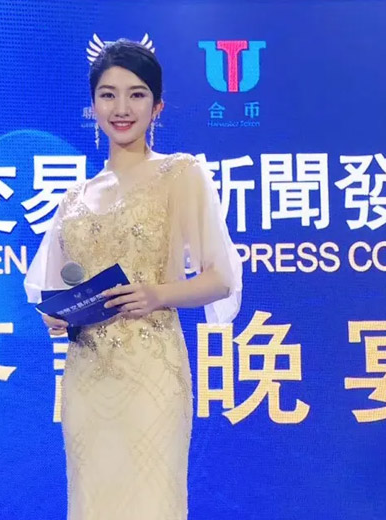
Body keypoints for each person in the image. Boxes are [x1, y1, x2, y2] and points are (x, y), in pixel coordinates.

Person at [24, 39, 242, 520]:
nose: (121, 108)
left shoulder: (180, 173)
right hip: (86, 377)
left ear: (157, 106)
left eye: (136, 94)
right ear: (92, 106)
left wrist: (157, 294)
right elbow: (56, 287)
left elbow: (220, 278)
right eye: (108, 95)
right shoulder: (74, 199)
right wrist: (56, 316)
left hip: (152, 374)